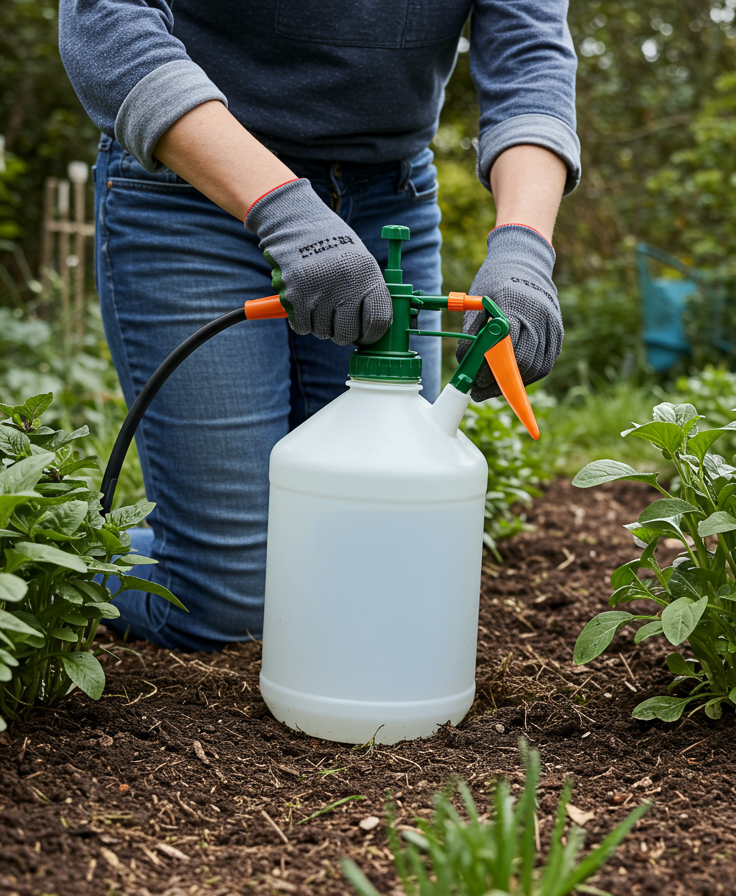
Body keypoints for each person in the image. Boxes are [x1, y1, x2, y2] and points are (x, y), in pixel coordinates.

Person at [58, 1, 579, 651]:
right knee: (228, 601)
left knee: (371, 554)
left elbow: (530, 57)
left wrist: (524, 248)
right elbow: (106, 21)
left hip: (386, 195)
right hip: (188, 188)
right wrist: (285, 212)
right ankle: (36, 559)